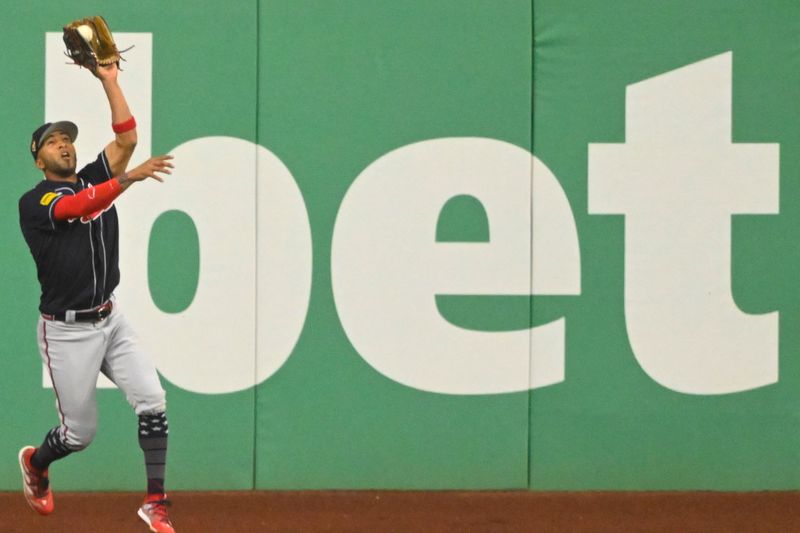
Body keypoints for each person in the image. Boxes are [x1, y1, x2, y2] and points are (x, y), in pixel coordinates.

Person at [17, 61, 177, 533]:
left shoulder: (91, 176)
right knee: (79, 434)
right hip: (65, 331)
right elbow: (77, 206)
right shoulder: (36, 202)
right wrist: (127, 180)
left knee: (153, 399)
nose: (63, 144)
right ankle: (37, 464)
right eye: (52, 141)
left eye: (66, 138)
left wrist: (109, 80)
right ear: (39, 160)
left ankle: (156, 502)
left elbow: (126, 141)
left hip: (110, 318)